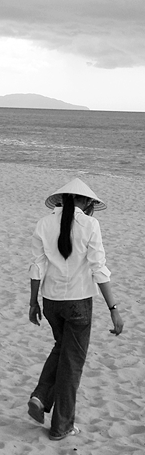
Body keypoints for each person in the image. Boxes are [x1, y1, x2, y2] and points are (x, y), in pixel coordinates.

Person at [28, 177, 123, 440]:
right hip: (78, 302)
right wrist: (113, 307)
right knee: (72, 363)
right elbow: (98, 268)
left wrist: (32, 302)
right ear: (86, 202)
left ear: (62, 200)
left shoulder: (43, 224)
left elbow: (37, 267)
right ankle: (61, 427)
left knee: (62, 348)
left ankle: (40, 396)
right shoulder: (90, 224)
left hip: (51, 302)